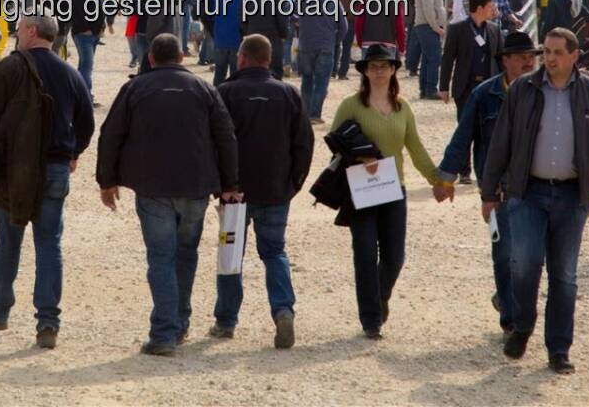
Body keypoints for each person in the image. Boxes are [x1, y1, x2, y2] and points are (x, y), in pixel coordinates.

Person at [480, 27, 589, 374]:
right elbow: (501, 141)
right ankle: (522, 326)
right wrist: (489, 192)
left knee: (564, 275)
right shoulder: (523, 91)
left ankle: (559, 349)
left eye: (558, 52)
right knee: (524, 264)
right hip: (528, 193)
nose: (551, 59)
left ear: (575, 56)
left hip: (573, 198)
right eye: (547, 52)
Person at [96, 33, 238, 356]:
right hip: (196, 185)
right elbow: (226, 136)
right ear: (182, 57)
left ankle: (164, 332)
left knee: (161, 257)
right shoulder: (204, 89)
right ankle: (179, 322)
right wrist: (229, 185)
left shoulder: (135, 88)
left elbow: (111, 134)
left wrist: (107, 181)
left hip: (153, 186)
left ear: (150, 58)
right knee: (185, 254)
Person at [0, 13, 94, 348]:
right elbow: (87, 122)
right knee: (49, 244)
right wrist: (72, 153)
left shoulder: (8, 68)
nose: (17, 33)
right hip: (55, 169)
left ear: (33, 31)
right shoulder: (70, 73)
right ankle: (48, 322)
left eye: (20, 28)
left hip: (13, 170)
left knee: (8, 240)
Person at [327, 43, 446, 339]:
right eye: (372, 66)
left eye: (384, 66)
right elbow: (334, 144)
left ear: (394, 69)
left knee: (394, 257)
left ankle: (379, 297)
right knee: (364, 253)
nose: (378, 71)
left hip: (394, 189)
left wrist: (436, 179)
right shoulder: (351, 105)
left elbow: (415, 147)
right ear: (365, 71)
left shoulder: (403, 107)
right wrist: (359, 156)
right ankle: (371, 319)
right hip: (360, 190)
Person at [210, 35, 313, 347]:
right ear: (269, 59)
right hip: (275, 188)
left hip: (235, 192)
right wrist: (293, 183)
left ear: (241, 58)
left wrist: (221, 186)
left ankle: (226, 321)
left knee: (231, 254)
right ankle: (283, 311)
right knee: (275, 252)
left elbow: (213, 142)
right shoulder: (288, 93)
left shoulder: (224, 92)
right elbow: (304, 144)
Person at [437, 30, 542, 335]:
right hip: (497, 187)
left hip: (537, 183)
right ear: (505, 60)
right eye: (521, 57)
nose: (528, 62)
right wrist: (446, 177)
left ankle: (507, 295)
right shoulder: (484, 94)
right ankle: (511, 320)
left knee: (535, 254)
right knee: (505, 251)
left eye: (531, 57)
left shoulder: (547, 92)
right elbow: (463, 136)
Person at [440, 0, 505, 182]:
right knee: (465, 128)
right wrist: (444, 86)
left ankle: (484, 170)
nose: (493, 9)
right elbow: (448, 59)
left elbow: (501, 59)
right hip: (466, 87)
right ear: (479, 9)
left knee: (488, 130)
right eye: (490, 6)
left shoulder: (494, 30)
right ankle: (464, 171)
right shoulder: (458, 29)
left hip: (489, 87)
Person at [295, 0, 346, 123]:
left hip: (306, 44)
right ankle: (315, 114)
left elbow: (290, 12)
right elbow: (343, 26)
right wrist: (335, 41)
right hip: (326, 44)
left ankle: (305, 113)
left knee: (307, 79)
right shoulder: (334, 1)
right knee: (322, 80)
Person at [243, 0, 292, 79]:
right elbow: (282, 16)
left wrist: (246, 31)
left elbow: (242, 15)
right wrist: (284, 33)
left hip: (253, 33)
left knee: (253, 67)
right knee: (274, 69)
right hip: (273, 35)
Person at [411, 0, 447, 100]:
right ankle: (431, 89)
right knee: (434, 58)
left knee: (427, 59)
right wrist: (436, 27)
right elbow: (428, 9)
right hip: (428, 27)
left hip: (427, 27)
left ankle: (425, 89)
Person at [70, 0, 106, 98]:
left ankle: (79, 94)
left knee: (85, 65)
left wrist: (101, 27)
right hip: (83, 33)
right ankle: (85, 96)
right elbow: (77, 10)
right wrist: (86, 28)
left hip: (93, 34)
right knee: (87, 66)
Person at [211, 0, 248, 87]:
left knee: (219, 73)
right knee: (236, 73)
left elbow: (210, 15)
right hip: (237, 38)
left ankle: (216, 97)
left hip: (220, 38)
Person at [330, 0, 365, 80]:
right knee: (346, 47)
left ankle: (332, 71)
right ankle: (342, 73)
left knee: (334, 46)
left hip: (333, 19)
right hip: (350, 19)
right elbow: (362, 3)